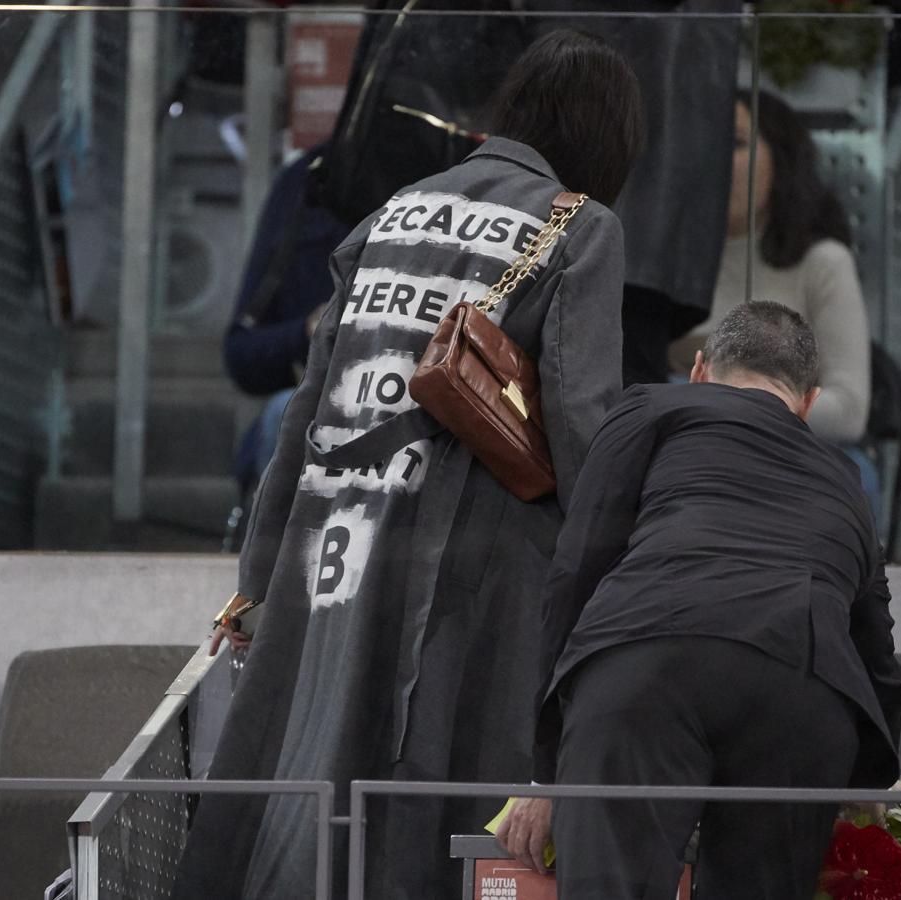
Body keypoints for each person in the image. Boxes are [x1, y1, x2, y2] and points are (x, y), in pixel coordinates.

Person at [172, 29, 644, 900]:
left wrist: (256, 585)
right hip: (474, 572)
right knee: (438, 820)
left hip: (331, 561)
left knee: (310, 797)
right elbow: (582, 422)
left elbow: (302, 420)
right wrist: (622, 565)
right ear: (604, 137)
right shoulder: (580, 227)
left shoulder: (390, 214)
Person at [498, 301, 901, 900]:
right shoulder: (843, 475)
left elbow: (577, 568)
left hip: (647, 656)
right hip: (801, 687)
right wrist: (870, 780)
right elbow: (878, 652)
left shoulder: (652, 407)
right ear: (809, 403)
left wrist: (546, 765)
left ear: (697, 370)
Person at [668, 91, 878, 510]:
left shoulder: (822, 263)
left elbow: (849, 411)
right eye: (707, 142)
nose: (717, 159)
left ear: (782, 160)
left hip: (789, 461)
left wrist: (727, 402)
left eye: (737, 144)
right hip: (685, 459)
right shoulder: (668, 260)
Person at [223, 142, 353, 497]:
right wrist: (309, 330)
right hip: (320, 397)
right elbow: (240, 351)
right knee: (288, 414)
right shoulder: (309, 180)